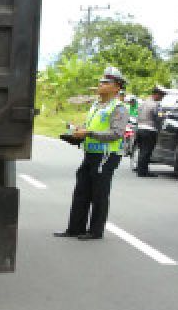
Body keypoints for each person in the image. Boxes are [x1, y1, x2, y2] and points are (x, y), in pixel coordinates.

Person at [54, 66, 129, 240]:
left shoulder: (119, 108)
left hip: (106, 156)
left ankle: (95, 231)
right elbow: (93, 128)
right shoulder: (96, 105)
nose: (101, 84)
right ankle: (74, 229)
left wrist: (88, 133)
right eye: (101, 81)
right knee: (81, 191)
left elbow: (117, 133)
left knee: (99, 194)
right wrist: (79, 132)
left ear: (117, 87)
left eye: (106, 82)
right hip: (90, 154)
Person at [135, 85, 166, 177]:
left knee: (142, 150)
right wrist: (164, 117)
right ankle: (143, 172)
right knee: (147, 151)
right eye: (161, 96)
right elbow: (159, 117)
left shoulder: (144, 102)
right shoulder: (156, 105)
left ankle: (140, 169)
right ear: (156, 94)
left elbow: (138, 113)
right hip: (150, 129)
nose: (162, 98)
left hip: (140, 128)